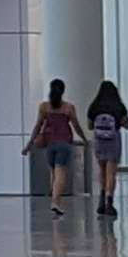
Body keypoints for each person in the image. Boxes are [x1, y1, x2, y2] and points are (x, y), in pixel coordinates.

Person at [33, 76, 85, 219]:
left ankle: (54, 199)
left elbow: (38, 126)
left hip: (49, 144)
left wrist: (30, 143)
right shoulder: (68, 107)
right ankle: (56, 202)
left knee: (53, 172)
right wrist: (84, 139)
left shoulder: (44, 107)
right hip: (64, 143)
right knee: (60, 173)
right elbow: (76, 125)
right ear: (63, 91)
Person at [89, 79, 128, 220]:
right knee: (111, 173)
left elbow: (89, 126)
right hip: (113, 140)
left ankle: (101, 199)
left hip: (99, 141)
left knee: (102, 171)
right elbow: (126, 124)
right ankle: (109, 202)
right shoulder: (118, 106)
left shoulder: (95, 106)